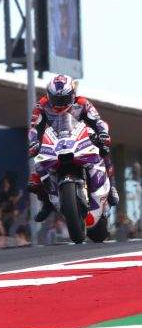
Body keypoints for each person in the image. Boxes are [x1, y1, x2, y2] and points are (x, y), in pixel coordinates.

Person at [27, 74, 119, 223]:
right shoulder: (41, 105)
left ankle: (112, 186)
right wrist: (34, 142)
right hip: (54, 139)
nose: (60, 103)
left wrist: (102, 133)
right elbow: (34, 128)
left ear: (72, 94)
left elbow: (97, 121)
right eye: (56, 99)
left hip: (80, 135)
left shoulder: (83, 103)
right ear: (49, 95)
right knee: (34, 179)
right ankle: (47, 202)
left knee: (103, 147)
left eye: (64, 98)